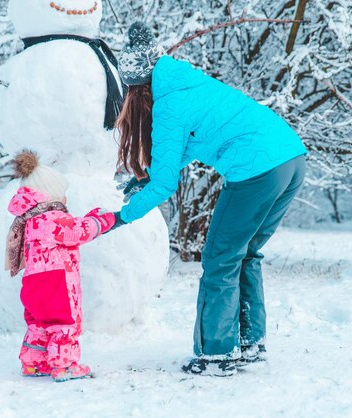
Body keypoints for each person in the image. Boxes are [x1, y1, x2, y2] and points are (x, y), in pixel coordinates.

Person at [110, 23, 308, 376]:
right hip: (291, 158)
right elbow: (186, 149)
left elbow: (166, 186)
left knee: (220, 257)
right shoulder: (183, 82)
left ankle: (216, 354)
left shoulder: (168, 103)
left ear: (135, 88)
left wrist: (120, 216)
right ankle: (250, 342)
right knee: (244, 253)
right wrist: (148, 179)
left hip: (257, 167)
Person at [5, 150, 115, 382]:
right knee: (63, 322)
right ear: (49, 195)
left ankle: (33, 363)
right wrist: (102, 219)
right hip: (55, 281)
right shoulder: (51, 217)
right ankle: (64, 366)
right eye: (62, 194)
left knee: (39, 323)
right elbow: (77, 231)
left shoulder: (30, 219)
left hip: (33, 283)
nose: (65, 199)